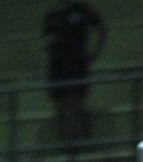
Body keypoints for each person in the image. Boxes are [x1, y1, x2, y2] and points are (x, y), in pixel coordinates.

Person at [43, 2, 107, 142]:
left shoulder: (82, 10)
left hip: (77, 66)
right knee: (60, 105)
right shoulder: (51, 14)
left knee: (77, 103)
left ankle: (82, 139)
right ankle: (64, 142)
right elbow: (47, 40)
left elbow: (101, 27)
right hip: (58, 67)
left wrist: (95, 52)